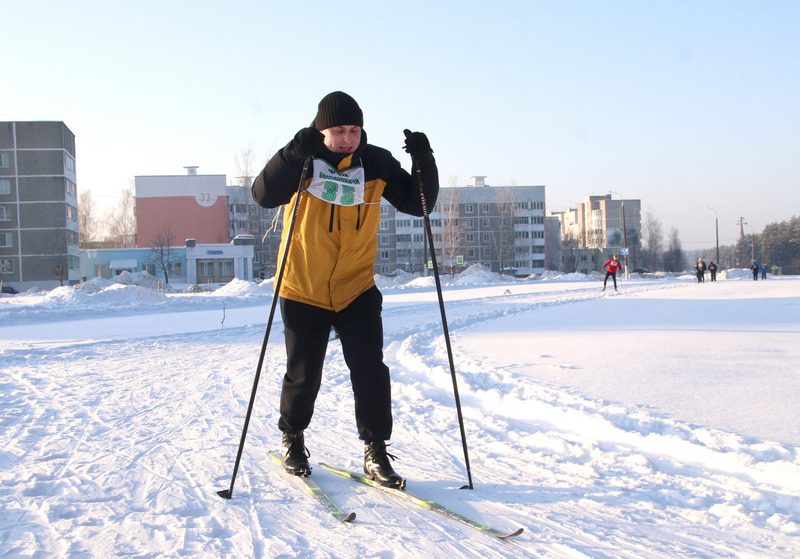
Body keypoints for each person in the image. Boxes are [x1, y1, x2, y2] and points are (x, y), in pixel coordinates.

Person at [251, 91, 439, 488]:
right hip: (304, 284)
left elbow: (418, 203)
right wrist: (291, 153)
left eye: (354, 130)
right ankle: (293, 439)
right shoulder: (304, 159)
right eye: (338, 131)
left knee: (370, 370)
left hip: (356, 285)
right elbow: (263, 195)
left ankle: (375, 450)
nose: (347, 138)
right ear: (322, 130)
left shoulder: (375, 163)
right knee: (304, 374)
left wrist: (424, 161)